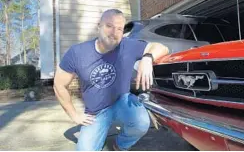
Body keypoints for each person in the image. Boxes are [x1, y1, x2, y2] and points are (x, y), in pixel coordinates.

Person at [53, 9, 169, 151]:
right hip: (95, 112)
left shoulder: (128, 45)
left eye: (119, 29)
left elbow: (161, 47)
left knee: (141, 123)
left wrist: (147, 57)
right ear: (99, 26)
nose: (114, 32)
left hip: (121, 101)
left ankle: (120, 145)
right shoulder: (77, 53)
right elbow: (59, 85)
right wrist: (74, 115)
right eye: (109, 26)